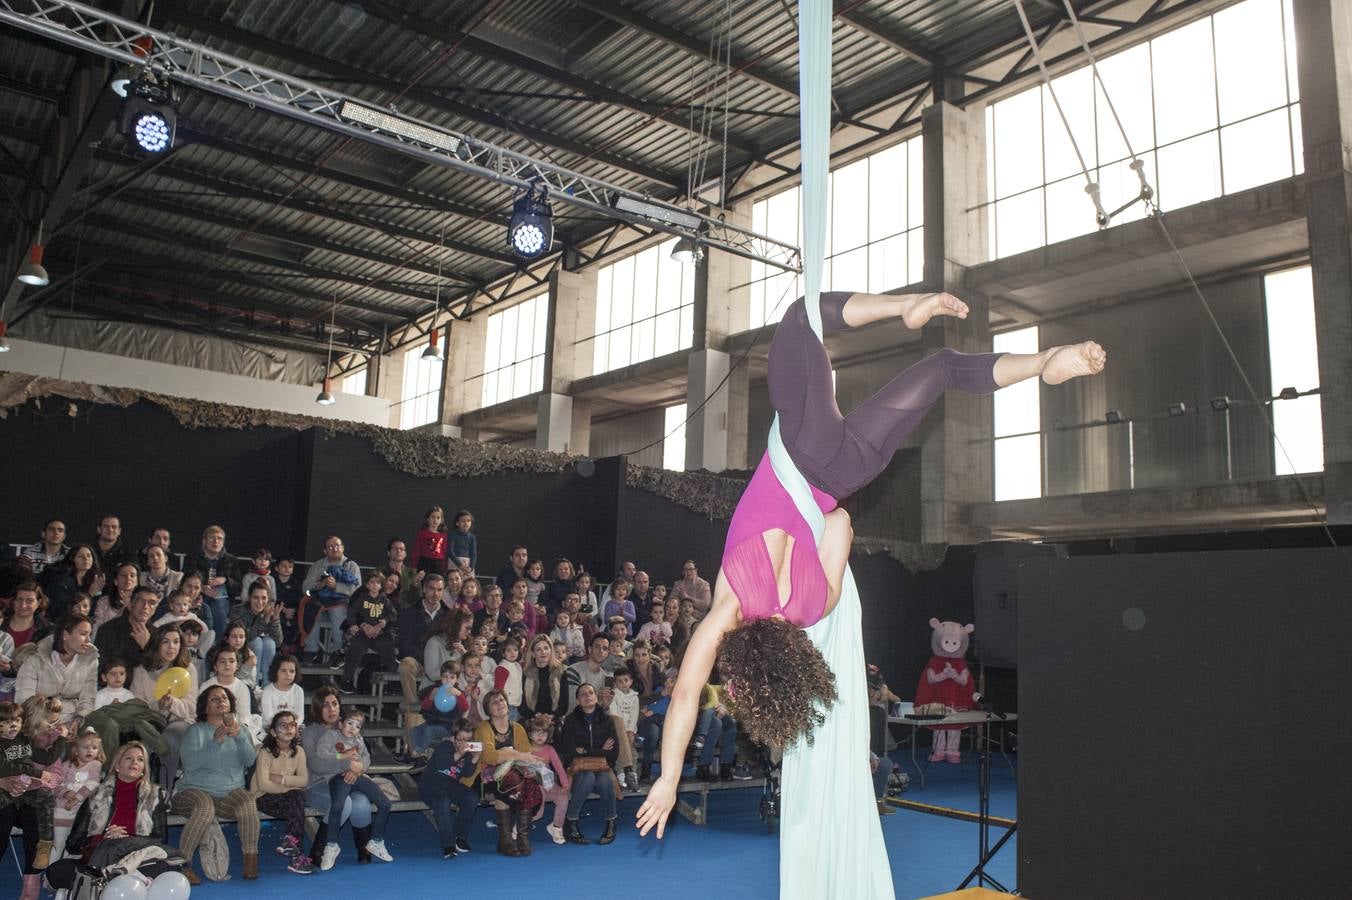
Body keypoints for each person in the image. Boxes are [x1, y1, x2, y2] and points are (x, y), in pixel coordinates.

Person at [636, 290, 1106, 890]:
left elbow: (838, 525)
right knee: (802, 314)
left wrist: (808, 527)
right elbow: (683, 696)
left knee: (939, 371)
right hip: (801, 446)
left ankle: (1044, 363)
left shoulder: (813, 606)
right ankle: (909, 309)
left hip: (842, 472)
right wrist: (668, 777)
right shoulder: (727, 607)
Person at [46, 741, 173, 897]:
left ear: (144, 768)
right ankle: (119, 883)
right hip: (99, 858)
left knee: (167, 868)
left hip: (136, 858)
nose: (135, 762)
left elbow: (160, 839)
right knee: (56, 872)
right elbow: (73, 843)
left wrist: (128, 839)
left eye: (140, 759)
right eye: (128, 758)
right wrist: (104, 836)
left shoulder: (154, 795)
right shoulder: (96, 795)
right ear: (117, 765)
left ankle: (96, 887)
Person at [172, 684, 261, 882]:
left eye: (224, 698)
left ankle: (251, 861)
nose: (221, 701)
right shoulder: (195, 731)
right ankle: (182, 864)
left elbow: (249, 761)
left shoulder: (241, 731)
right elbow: (190, 764)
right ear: (205, 707)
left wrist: (239, 738)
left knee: (247, 801)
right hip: (193, 791)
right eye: (214, 698)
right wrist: (213, 744)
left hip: (228, 793)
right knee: (205, 807)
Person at [301, 687, 375, 865]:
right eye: (325, 705)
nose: (331, 709)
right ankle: (318, 851)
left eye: (334, 704)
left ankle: (363, 848)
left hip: (347, 781)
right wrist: (347, 764)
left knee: (361, 802)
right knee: (345, 804)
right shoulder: (310, 732)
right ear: (318, 708)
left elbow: (365, 756)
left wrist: (357, 769)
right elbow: (316, 764)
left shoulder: (347, 726)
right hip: (317, 784)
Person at [315, 707, 394, 867]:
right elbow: (321, 754)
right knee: (338, 805)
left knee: (385, 804)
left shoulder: (359, 740)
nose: (353, 728)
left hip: (356, 777)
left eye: (357, 726)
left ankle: (376, 841)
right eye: (350, 723)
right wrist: (342, 757)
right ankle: (331, 846)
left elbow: (366, 759)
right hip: (338, 777)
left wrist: (357, 771)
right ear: (340, 724)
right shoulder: (331, 736)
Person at [472, 689, 541, 857]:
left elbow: (526, 757)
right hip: (484, 777)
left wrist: (518, 758)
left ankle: (523, 838)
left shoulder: (517, 728)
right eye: (494, 702)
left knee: (529, 784)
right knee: (511, 782)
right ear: (488, 710)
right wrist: (517, 755)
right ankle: (505, 840)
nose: (499, 704)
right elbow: (489, 756)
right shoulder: (483, 728)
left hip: (512, 777)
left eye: (501, 700)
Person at [128, 623, 198, 786]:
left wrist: (172, 703)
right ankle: (141, 788)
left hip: (180, 720)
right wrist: (158, 705)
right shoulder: (142, 669)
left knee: (170, 738)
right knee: (143, 742)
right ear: (157, 644)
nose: (171, 647)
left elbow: (192, 708)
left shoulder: (189, 669)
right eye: (165, 642)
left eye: (176, 641)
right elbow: (137, 704)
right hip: (150, 720)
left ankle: (165, 791)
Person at [0, 699, 61, 875]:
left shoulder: (25, 740)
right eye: (5, 723)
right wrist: (38, 774)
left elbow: (47, 759)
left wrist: (61, 740)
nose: (12, 726)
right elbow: (6, 767)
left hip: (26, 790)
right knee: (4, 814)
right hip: (6, 792)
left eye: (16, 722)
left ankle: (44, 845)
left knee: (43, 800)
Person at [252, 710, 315, 874]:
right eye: (283, 725)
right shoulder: (265, 752)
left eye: (292, 725)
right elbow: (263, 785)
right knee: (297, 801)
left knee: (297, 801)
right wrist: (290, 785)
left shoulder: (299, 751)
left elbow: (304, 780)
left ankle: (290, 843)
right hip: (263, 797)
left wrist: (281, 779)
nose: (289, 729)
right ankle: (297, 856)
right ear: (273, 732)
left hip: (287, 797)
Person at [559, 682, 620, 845]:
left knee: (605, 779)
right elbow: (568, 750)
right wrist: (600, 749)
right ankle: (571, 822)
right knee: (588, 777)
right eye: (583, 694)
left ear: (596, 696)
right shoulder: (571, 720)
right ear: (578, 700)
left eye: (591, 693)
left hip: (603, 767)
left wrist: (585, 750)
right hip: (578, 770)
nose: (587, 696)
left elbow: (613, 753)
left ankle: (611, 822)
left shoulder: (606, 720)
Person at [15, 613, 97, 728]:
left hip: (73, 719)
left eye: (90, 634)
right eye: (83, 634)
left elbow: (88, 698)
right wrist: (49, 726)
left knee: (103, 725)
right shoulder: (34, 660)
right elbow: (24, 701)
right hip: (38, 722)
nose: (88, 640)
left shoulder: (90, 660)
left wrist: (79, 720)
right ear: (65, 634)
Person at [396, 573, 448, 747]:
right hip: (418, 660)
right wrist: (426, 660)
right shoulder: (409, 612)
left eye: (439, 590)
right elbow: (404, 643)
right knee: (405, 666)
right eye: (432, 589)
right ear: (424, 589)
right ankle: (413, 703)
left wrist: (435, 662)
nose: (435, 593)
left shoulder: (449, 615)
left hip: (440, 665)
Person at [417, 718, 480, 858]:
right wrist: (460, 753)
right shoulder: (445, 746)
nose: (464, 743)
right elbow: (443, 765)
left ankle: (460, 837)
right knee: (442, 802)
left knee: (472, 797)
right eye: (460, 739)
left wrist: (474, 759)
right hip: (431, 785)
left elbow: (467, 772)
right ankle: (448, 845)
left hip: (451, 785)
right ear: (454, 737)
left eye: (468, 740)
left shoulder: (467, 751)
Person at [300, 536, 360, 666]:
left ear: (343, 548)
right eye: (330, 547)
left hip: (341, 605)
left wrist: (336, 587)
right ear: (325, 551)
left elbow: (357, 591)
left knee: (337, 611)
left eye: (337, 546)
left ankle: (338, 651)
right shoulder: (318, 565)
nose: (334, 549)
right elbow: (305, 588)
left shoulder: (351, 565)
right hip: (321, 603)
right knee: (311, 607)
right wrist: (320, 585)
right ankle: (310, 650)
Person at [48, 727, 105, 860]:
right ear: (76, 750)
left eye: (94, 747)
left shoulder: (95, 765)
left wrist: (76, 798)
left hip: (79, 815)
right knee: (58, 844)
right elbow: (55, 785)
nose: (90, 750)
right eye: (86, 747)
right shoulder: (66, 765)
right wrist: (65, 793)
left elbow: (93, 783)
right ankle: (51, 875)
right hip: (61, 812)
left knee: (73, 847)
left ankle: (65, 875)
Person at [341, 571, 397, 694]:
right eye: (372, 582)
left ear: (381, 585)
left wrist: (383, 622)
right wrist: (355, 625)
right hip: (363, 632)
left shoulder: (384, 600)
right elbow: (351, 613)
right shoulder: (362, 598)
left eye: (378, 583)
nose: (375, 585)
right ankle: (347, 680)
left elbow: (393, 614)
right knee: (356, 648)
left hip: (378, 633)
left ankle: (393, 681)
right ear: (367, 584)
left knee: (388, 647)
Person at [186, 525, 241, 634]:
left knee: (218, 605)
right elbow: (184, 582)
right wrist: (201, 588)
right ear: (204, 541)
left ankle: (218, 645)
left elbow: (238, 587)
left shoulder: (231, 560)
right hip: (197, 596)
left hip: (222, 599)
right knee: (203, 606)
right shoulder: (193, 558)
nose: (216, 541)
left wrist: (225, 580)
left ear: (223, 542)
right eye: (212, 538)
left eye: (219, 538)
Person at [93, 586, 157, 678]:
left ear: (154, 610)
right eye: (140, 601)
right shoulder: (107, 629)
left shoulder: (157, 635)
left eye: (152, 603)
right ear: (130, 605)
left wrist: (146, 646)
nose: (145, 607)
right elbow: (99, 666)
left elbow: (156, 672)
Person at [230, 581, 283, 690]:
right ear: (249, 598)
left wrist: (275, 620)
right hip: (240, 652)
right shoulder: (238, 610)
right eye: (256, 598)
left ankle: (268, 687)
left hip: (265, 653)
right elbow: (244, 638)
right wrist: (264, 621)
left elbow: (278, 642)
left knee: (270, 643)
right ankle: (254, 685)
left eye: (264, 598)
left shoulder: (270, 611)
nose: (260, 602)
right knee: (257, 642)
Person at [38, 544, 95, 624]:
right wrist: (90, 594)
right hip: (58, 623)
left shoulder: (94, 579)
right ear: (72, 559)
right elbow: (62, 608)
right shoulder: (61, 579)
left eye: (89, 556)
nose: (86, 559)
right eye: (81, 556)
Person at [518, 634, 567, 723]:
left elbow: (564, 703)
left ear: (551, 650)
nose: (543, 652)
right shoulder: (525, 673)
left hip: (553, 720)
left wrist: (552, 716)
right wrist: (535, 716)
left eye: (546, 648)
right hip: (531, 719)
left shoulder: (560, 671)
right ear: (533, 653)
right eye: (538, 649)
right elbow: (522, 704)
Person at [259, 654, 305, 725]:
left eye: (292, 671)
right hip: (272, 727)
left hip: (293, 727)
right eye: (283, 670)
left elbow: (300, 716)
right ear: (275, 671)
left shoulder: (298, 690)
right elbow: (268, 717)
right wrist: (283, 727)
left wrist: (292, 726)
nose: (288, 674)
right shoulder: (267, 691)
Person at [378, 538, 421, 610]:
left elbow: (417, 597)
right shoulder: (380, 571)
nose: (398, 551)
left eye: (401, 549)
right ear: (388, 553)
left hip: (406, 612)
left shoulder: (412, 573)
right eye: (395, 548)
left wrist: (415, 585)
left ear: (405, 554)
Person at [139, 545, 183, 611]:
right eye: (151, 556)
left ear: (166, 558)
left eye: (158, 555)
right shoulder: (140, 577)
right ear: (147, 562)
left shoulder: (178, 577)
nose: (155, 558)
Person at [412, 506, 450, 577]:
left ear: (441, 520)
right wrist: (414, 567)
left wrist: (444, 567)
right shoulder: (422, 534)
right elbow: (416, 550)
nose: (435, 520)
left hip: (438, 563)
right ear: (428, 519)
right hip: (425, 562)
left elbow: (444, 552)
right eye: (433, 517)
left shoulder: (443, 535)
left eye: (438, 518)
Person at [448, 510, 477, 574]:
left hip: (468, 566)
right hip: (455, 563)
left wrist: (471, 567)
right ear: (457, 523)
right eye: (463, 521)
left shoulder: (472, 537)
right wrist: (460, 565)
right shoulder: (452, 535)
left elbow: (473, 554)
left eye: (468, 521)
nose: (466, 523)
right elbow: (450, 552)